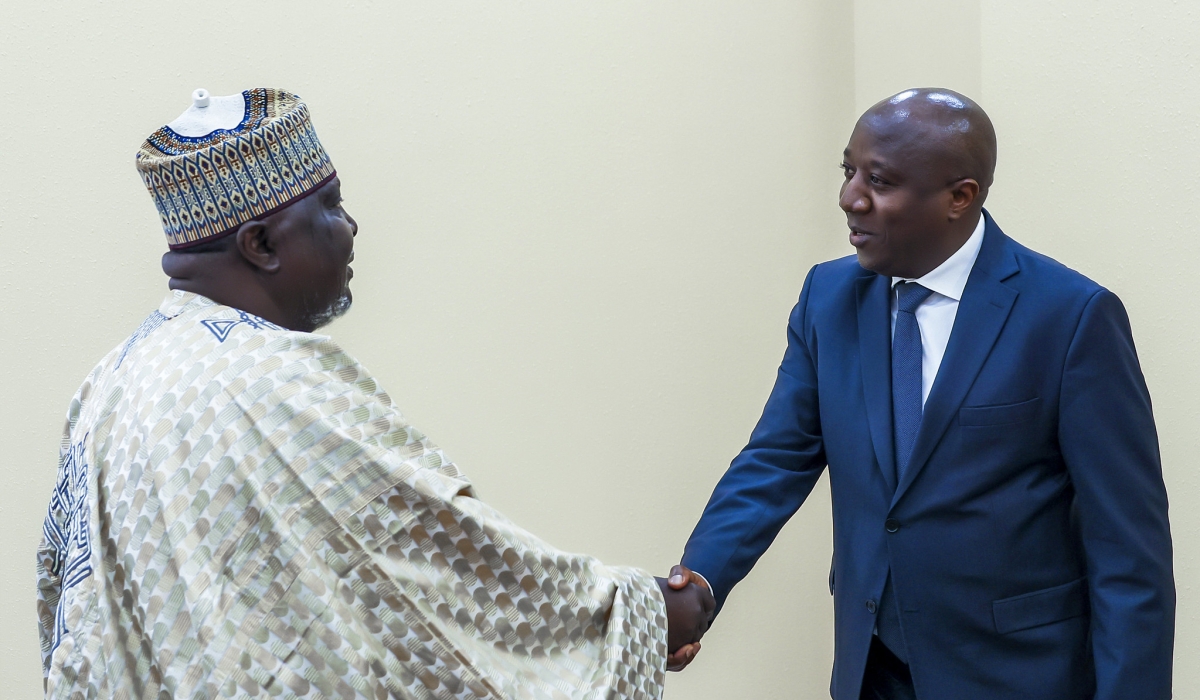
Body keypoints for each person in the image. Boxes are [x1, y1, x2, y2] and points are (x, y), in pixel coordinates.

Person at [35, 87, 713, 699]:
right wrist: (637, 614)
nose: (351, 226)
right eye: (329, 206)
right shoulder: (278, 381)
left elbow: (61, 603)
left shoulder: (109, 385)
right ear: (261, 243)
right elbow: (437, 555)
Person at [664, 88, 1175, 699]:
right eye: (849, 171)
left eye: (879, 181)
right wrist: (698, 586)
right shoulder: (827, 298)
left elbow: (1128, 551)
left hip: (1017, 674)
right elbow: (776, 459)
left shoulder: (1069, 318)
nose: (850, 198)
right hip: (872, 670)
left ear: (961, 197)